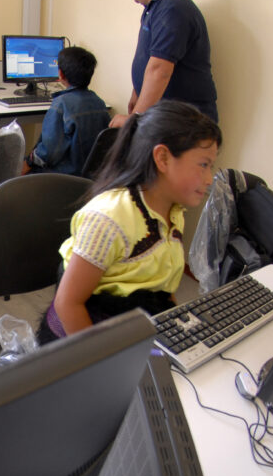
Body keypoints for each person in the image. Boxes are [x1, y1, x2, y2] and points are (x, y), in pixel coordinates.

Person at [37, 100, 221, 342]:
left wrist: (173, 329)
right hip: (83, 340)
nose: (209, 179)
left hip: (130, 327)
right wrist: (107, 364)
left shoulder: (173, 211)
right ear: (163, 158)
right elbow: (68, 304)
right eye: (203, 165)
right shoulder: (109, 219)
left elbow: (160, 284)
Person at [109, 0, 217, 128]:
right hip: (164, 115)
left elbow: (160, 70)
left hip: (184, 121)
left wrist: (135, 119)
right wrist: (137, 93)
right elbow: (149, 57)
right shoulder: (155, 7)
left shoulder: (172, 8)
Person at [22, 46, 110, 176]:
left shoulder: (60, 105)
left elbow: (48, 153)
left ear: (61, 74)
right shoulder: (99, 102)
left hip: (65, 177)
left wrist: (27, 162)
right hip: (91, 176)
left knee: (20, 167)